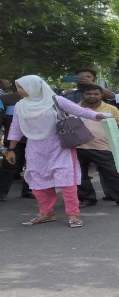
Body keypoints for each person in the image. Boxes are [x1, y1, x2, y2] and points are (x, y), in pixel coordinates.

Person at [4, 75, 106, 228]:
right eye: (18, 87)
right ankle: (46, 213)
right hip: (35, 148)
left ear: (34, 87)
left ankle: (73, 215)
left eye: (21, 87)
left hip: (59, 145)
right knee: (38, 182)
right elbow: (16, 128)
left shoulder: (55, 100)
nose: (18, 90)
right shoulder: (21, 106)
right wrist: (11, 149)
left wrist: (96, 115)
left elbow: (77, 110)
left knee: (67, 182)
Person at [76, 84, 119, 208]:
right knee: (80, 175)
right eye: (88, 94)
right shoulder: (74, 108)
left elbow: (118, 127)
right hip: (78, 147)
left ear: (101, 95)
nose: (92, 96)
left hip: (103, 147)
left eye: (95, 94)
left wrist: (118, 146)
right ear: (82, 95)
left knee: (112, 174)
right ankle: (87, 199)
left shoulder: (111, 109)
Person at [0, 89, 33, 201]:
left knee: (32, 167)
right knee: (8, 166)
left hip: (36, 140)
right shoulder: (6, 99)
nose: (21, 89)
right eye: (18, 86)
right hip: (12, 141)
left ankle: (29, 190)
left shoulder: (42, 99)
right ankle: (2, 193)